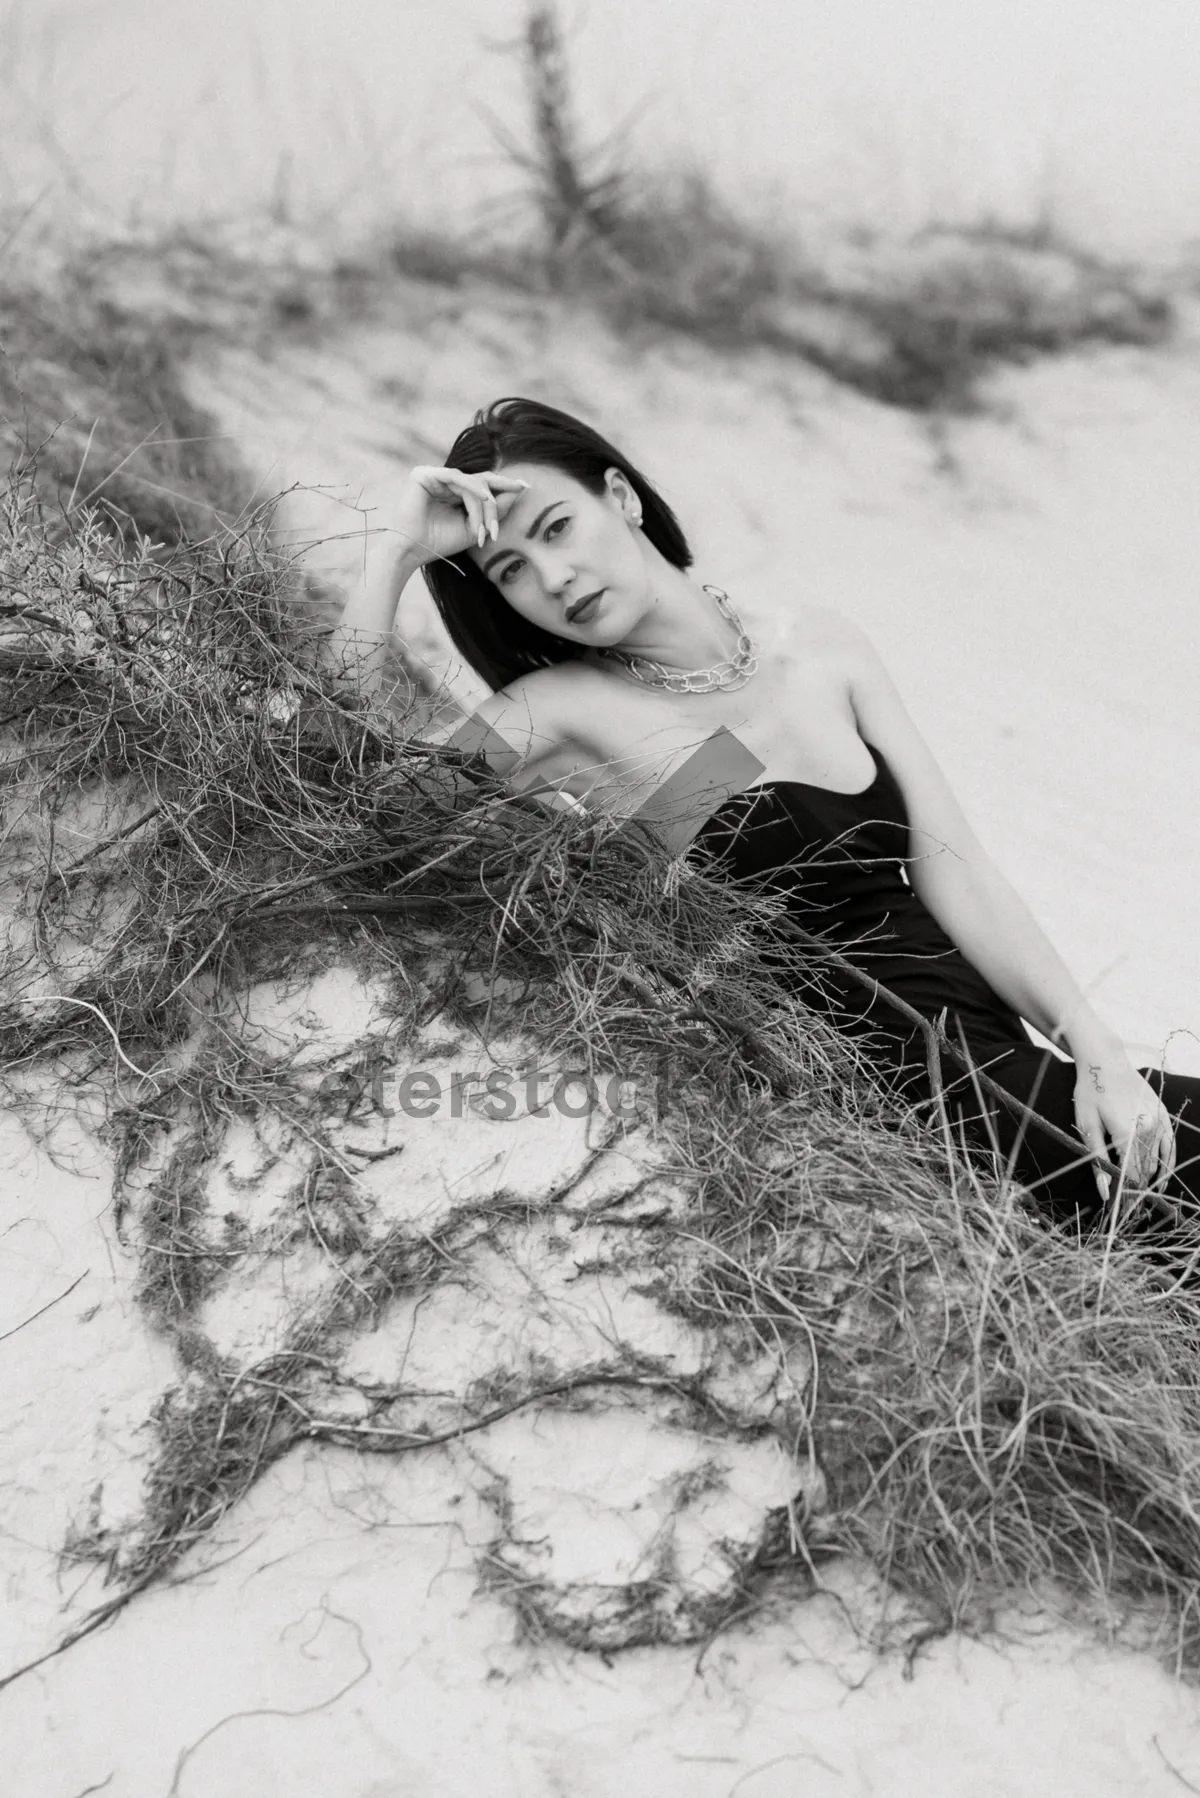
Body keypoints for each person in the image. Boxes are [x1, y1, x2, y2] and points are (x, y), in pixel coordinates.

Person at [331, 395, 1200, 1243]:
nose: (552, 579)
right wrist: (397, 553)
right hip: (888, 1096)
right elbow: (362, 794)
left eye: (556, 528)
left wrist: (1098, 1051)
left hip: (1003, 1061)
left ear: (621, 498)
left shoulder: (815, 647)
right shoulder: (566, 713)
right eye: (510, 570)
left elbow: (956, 868)